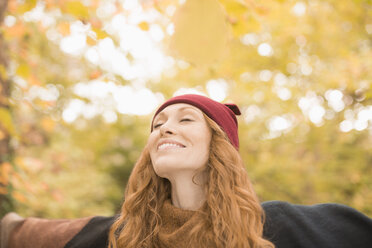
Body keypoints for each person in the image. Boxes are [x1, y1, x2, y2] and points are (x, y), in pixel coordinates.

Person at [1, 94, 372, 248]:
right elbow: (20, 233)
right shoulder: (125, 235)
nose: (164, 128)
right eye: (158, 123)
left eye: (185, 119)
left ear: (218, 144)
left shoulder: (276, 227)